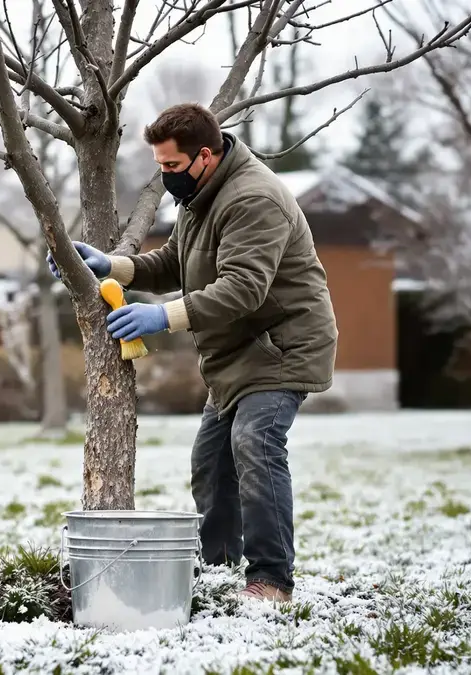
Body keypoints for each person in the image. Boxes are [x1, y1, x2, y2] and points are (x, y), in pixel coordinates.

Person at [47, 103, 338, 603]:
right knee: (210, 463)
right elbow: (176, 261)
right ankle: (222, 571)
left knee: (256, 442)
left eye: (172, 167)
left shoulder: (253, 199)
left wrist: (163, 316)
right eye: (159, 167)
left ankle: (270, 581)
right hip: (235, 353)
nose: (165, 177)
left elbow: (243, 288)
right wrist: (112, 267)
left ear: (205, 155)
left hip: (282, 347)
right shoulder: (199, 195)